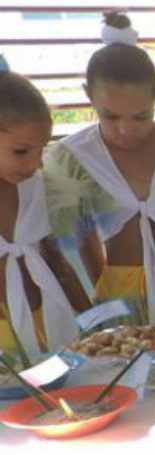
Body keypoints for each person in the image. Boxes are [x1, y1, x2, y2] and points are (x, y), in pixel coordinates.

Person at [46, 11, 155, 325]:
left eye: (140, 117)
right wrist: (105, 291)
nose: (126, 130)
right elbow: (81, 235)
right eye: (111, 116)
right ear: (88, 96)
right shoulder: (74, 157)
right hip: (121, 294)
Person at [0, 55, 90, 353]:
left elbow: (58, 264)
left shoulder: (36, 186)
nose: (37, 163)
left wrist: (91, 318)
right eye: (22, 151)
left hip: (49, 323)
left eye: (43, 149)